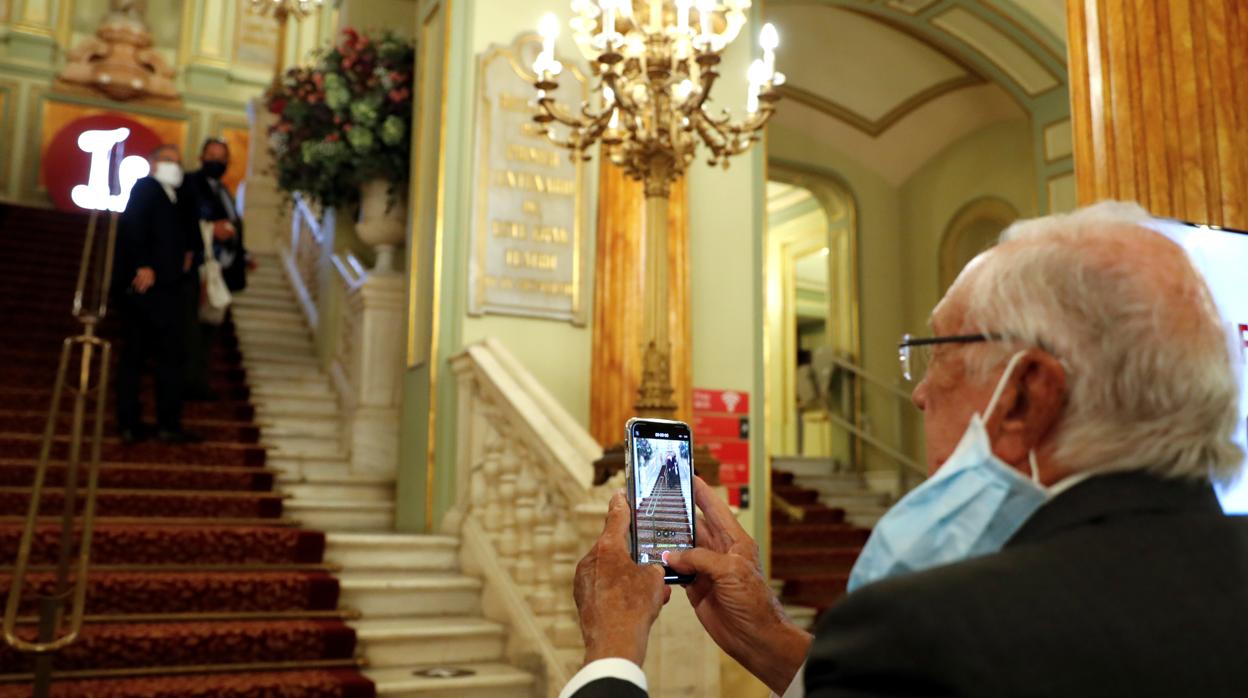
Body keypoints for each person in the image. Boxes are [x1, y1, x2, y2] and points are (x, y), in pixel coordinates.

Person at [563, 201, 1248, 697]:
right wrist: (768, 639)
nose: (918, 396)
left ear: (1025, 395)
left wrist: (613, 650)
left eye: (936, 354)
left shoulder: (931, 634)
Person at [112, 144, 202, 444]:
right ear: (152, 164)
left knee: (171, 358)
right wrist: (142, 264)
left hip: (172, 289)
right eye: (167, 161)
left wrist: (188, 256)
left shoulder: (179, 198)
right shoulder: (145, 189)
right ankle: (128, 422)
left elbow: (187, 236)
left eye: (177, 162)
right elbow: (132, 229)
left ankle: (169, 423)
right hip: (145, 288)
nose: (173, 167)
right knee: (135, 356)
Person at [181, 137, 247, 400]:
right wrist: (210, 229)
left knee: (209, 327)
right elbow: (184, 220)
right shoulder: (189, 183)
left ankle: (198, 380)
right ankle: (187, 381)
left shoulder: (224, 191)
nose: (216, 162)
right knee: (192, 328)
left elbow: (232, 224)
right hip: (196, 267)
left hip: (220, 268)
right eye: (212, 156)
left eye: (221, 158)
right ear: (201, 157)